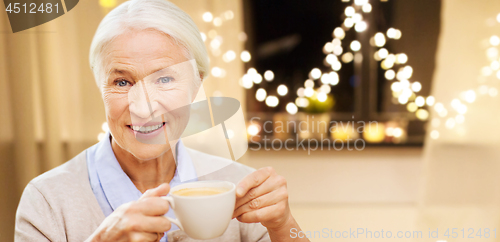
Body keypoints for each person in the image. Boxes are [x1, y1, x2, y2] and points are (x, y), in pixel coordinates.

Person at [15, 0, 309, 241]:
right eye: (121, 82)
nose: (143, 108)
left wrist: (284, 225)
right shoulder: (47, 200)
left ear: (196, 85)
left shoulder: (236, 187)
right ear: (100, 88)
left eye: (165, 78)